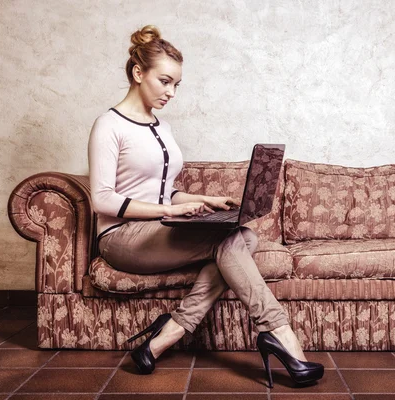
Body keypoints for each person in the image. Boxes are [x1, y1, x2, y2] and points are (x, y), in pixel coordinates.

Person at [88, 25, 324, 387]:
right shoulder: (109, 125)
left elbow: (164, 192)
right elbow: (102, 198)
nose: (171, 92)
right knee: (228, 241)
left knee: (243, 235)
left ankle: (170, 332)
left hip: (155, 227)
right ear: (138, 73)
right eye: (165, 81)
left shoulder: (161, 127)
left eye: (176, 85)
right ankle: (279, 331)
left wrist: (201, 201)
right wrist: (171, 212)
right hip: (121, 239)